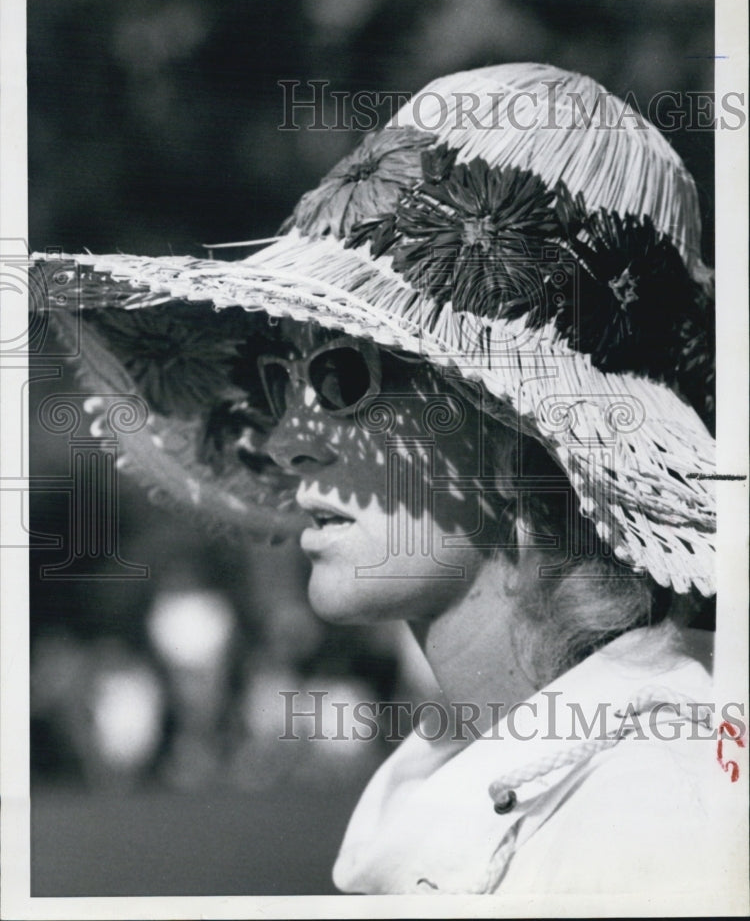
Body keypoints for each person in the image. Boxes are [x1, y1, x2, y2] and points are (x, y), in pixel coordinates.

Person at [32, 63, 721, 896]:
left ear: (512, 429)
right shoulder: (506, 775)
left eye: (341, 376)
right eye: (276, 381)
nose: (283, 443)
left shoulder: (658, 818)